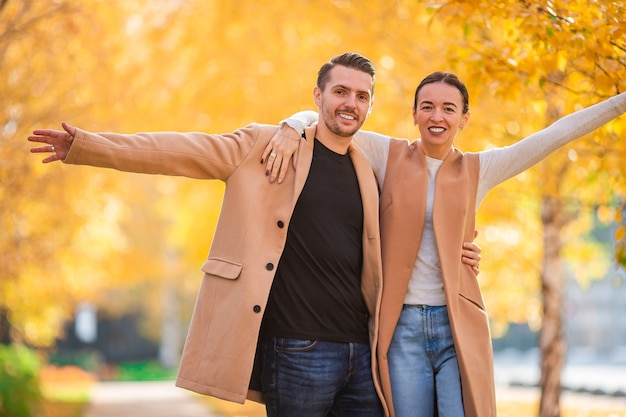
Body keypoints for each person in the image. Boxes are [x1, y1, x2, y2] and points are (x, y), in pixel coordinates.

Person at [28, 54, 482, 417]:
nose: (350, 103)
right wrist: (88, 147)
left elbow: (418, 220)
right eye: (340, 91)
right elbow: (178, 150)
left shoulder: (371, 167)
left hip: (363, 353)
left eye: (362, 96)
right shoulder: (263, 146)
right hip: (297, 349)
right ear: (318, 95)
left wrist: (466, 250)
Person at [265, 72, 626, 417]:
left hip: (456, 324)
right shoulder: (386, 154)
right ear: (415, 114)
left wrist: (619, 104)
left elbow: (554, 135)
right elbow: (328, 117)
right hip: (402, 327)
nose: (437, 116)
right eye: (427, 106)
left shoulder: (479, 169)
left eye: (449, 109)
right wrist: (290, 128)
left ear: (464, 119)